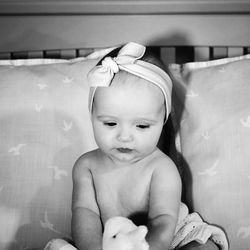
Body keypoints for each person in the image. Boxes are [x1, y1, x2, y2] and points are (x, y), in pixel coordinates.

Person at [45, 42, 228, 250]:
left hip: (168, 239)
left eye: (141, 126)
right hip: (110, 242)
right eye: (110, 123)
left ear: (162, 122)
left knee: (203, 247)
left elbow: (163, 220)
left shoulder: (161, 168)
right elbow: (85, 213)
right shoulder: (86, 166)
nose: (124, 137)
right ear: (92, 116)